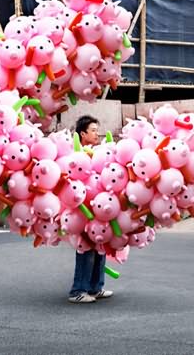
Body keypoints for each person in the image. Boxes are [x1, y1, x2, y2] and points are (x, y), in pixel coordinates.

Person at [68, 115, 113, 304]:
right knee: (85, 247)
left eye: (97, 129)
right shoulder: (76, 155)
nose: (97, 133)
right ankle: (77, 290)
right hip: (83, 208)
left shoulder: (98, 152)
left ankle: (96, 287)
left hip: (98, 206)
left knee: (100, 246)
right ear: (82, 134)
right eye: (93, 130)